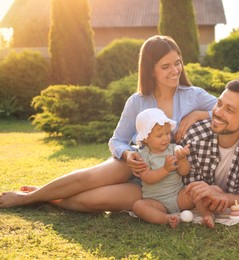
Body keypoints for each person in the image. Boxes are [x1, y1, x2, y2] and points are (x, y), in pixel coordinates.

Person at [0, 35, 217, 212]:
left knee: (89, 201)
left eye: (177, 63)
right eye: (166, 66)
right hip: (133, 166)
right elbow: (117, 140)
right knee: (87, 178)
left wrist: (199, 114)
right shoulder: (137, 101)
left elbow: (227, 112)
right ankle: (26, 199)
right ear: (151, 69)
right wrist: (127, 155)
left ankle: (48, 197)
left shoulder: (194, 95)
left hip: (159, 186)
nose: (175, 70)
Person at [182, 78, 239, 214]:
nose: (218, 112)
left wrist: (224, 197)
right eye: (219, 104)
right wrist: (210, 196)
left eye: (229, 110)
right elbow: (190, 189)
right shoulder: (194, 136)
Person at [131, 108, 214, 228]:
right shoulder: (142, 155)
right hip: (157, 201)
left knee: (195, 191)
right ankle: (166, 218)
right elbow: (147, 178)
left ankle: (207, 214)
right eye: (159, 136)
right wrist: (165, 169)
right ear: (145, 138)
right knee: (138, 206)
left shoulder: (174, 148)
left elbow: (184, 172)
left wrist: (182, 159)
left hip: (178, 196)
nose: (165, 138)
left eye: (167, 133)